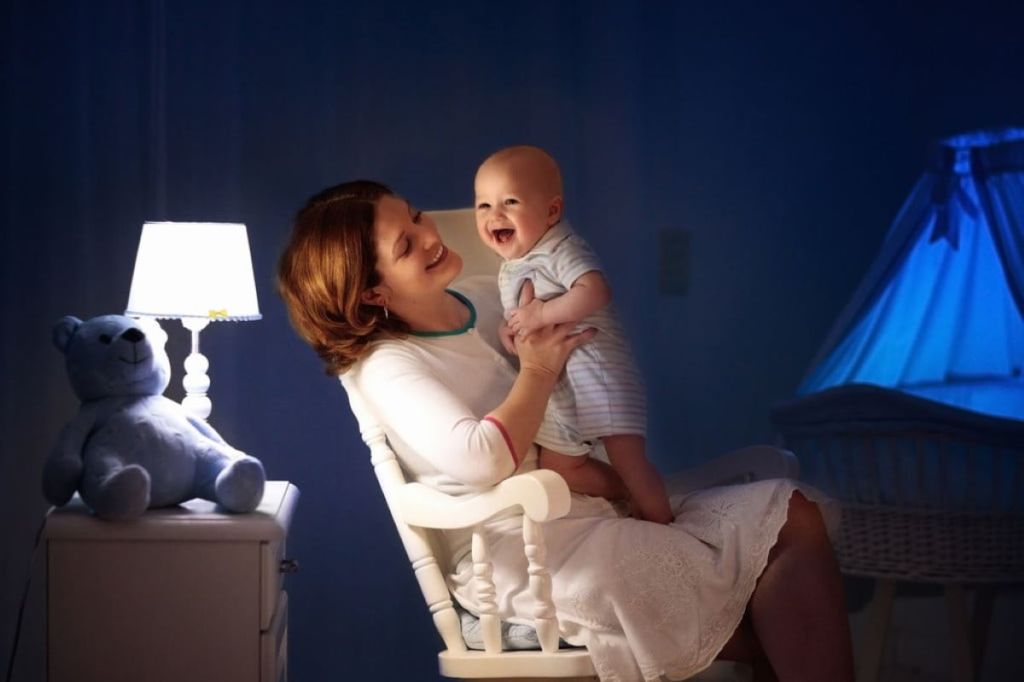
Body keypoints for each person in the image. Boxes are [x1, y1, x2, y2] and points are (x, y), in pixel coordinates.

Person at [277, 179, 854, 682]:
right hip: (518, 546)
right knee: (769, 615)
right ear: (373, 293)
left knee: (791, 512)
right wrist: (537, 370)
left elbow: (586, 355)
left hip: (589, 502)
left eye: (417, 216)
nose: (430, 235)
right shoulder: (389, 364)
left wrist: (621, 467)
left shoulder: (481, 296)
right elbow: (482, 460)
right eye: (406, 244)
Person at [475, 145, 672, 523]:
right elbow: (525, 312)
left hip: (599, 376)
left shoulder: (559, 248)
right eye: (483, 205)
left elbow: (595, 290)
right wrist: (511, 326)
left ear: (552, 211)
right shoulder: (513, 263)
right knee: (560, 467)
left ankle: (663, 525)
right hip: (560, 387)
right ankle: (630, 497)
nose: (494, 214)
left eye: (510, 201)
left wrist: (542, 314)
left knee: (628, 458)